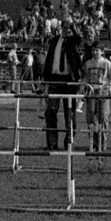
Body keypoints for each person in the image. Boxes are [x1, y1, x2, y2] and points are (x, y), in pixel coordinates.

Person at [40, 22, 85, 150]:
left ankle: (68, 142)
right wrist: (45, 76)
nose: (67, 30)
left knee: (69, 113)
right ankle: (52, 143)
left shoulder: (72, 41)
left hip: (69, 80)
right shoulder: (55, 40)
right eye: (65, 27)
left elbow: (79, 38)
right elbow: (49, 57)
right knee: (51, 111)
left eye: (69, 27)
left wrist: (73, 28)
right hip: (54, 79)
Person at [80, 43, 111, 159]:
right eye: (93, 50)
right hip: (91, 92)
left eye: (97, 50)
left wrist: (108, 89)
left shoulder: (107, 63)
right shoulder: (88, 64)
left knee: (103, 117)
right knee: (91, 117)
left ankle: (103, 143)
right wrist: (82, 87)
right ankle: (94, 143)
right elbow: (85, 77)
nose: (94, 52)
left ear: (102, 51)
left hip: (103, 93)